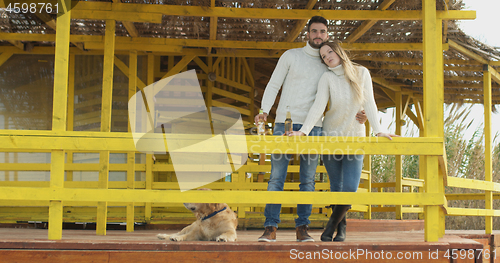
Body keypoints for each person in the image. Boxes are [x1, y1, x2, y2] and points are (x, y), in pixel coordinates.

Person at [255, 16, 367, 242]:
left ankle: (302, 227)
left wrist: (361, 111)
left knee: (308, 180)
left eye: (322, 32)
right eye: (314, 31)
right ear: (307, 33)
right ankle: (270, 227)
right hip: (283, 123)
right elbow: (274, 84)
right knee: (277, 177)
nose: (318, 35)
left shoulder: (329, 63)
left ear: (327, 35)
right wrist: (264, 109)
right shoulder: (291, 56)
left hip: (313, 127)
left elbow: (349, 88)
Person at [289, 40, 399, 242]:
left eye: (330, 52)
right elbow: (318, 106)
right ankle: (342, 228)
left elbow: (370, 103)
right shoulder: (326, 78)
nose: (327, 56)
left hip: (355, 138)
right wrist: (303, 132)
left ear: (339, 51)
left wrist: (378, 131)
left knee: (350, 188)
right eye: (323, 56)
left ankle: (331, 225)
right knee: (336, 188)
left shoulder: (362, 73)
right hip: (331, 138)